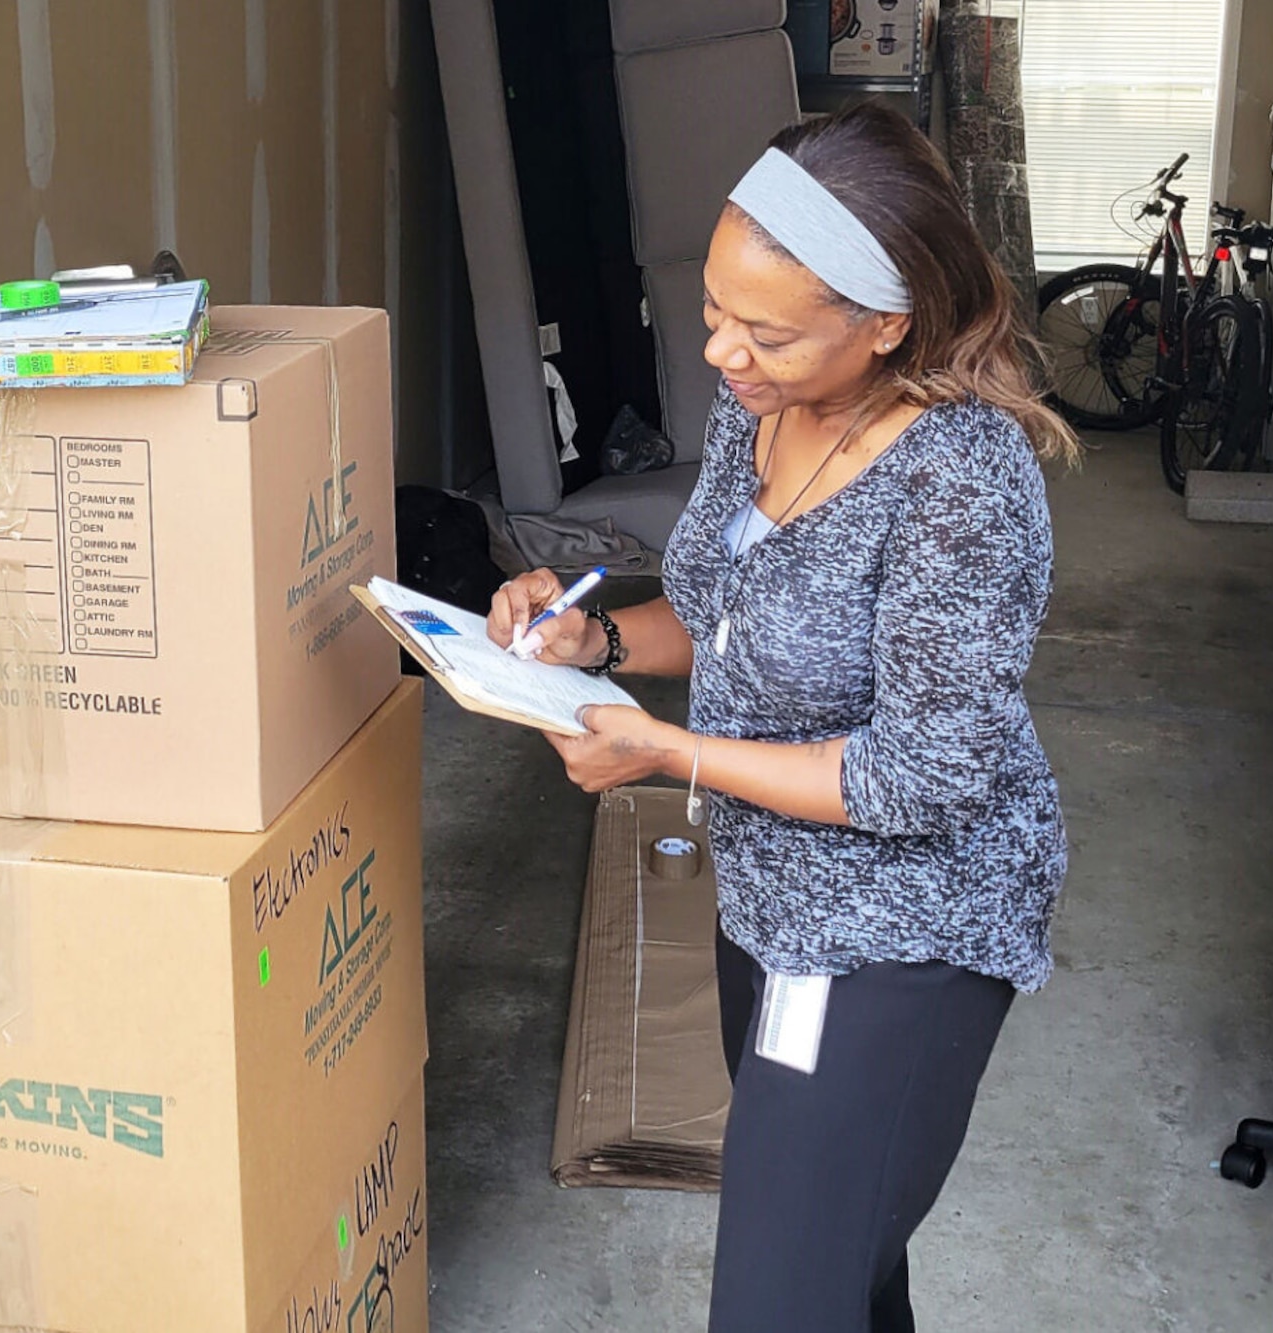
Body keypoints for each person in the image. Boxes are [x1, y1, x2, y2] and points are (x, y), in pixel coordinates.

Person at [487, 101, 1076, 1332]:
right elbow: (725, 619)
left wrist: (665, 750)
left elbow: (923, 778)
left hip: (901, 936)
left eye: (765, 332)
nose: (722, 353)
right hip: (765, 892)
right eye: (711, 312)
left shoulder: (960, 480)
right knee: (838, 1273)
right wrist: (590, 641)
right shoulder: (758, 413)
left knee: (777, 1301)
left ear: (884, 324)